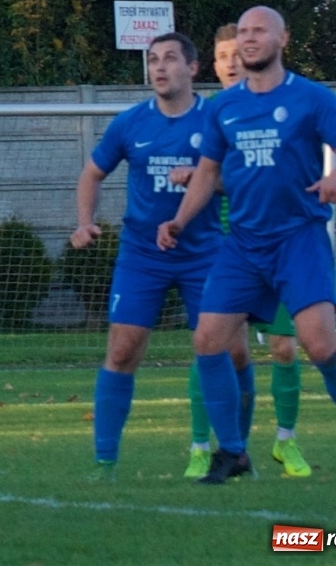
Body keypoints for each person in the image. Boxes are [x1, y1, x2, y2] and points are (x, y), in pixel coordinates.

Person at [158, 6, 336, 485]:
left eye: (259, 30)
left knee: (319, 345)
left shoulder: (311, 98)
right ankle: (234, 452)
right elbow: (207, 173)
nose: (248, 38)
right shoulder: (223, 107)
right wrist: (179, 221)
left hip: (298, 239)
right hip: (243, 244)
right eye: (242, 31)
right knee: (207, 340)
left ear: (283, 38)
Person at [71, 32, 226, 478]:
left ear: (194, 68)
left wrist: (201, 177)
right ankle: (105, 461)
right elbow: (92, 174)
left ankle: (232, 452)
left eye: (170, 59)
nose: (159, 68)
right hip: (142, 254)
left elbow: (236, 180)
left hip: (204, 253)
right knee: (121, 351)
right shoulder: (130, 123)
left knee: (225, 352)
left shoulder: (215, 119)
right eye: (153, 60)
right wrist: (85, 221)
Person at [178, 25, 311, 478]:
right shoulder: (209, 113)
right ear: (212, 65)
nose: (231, 61)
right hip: (224, 249)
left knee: (285, 346)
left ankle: (285, 442)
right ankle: (207, 447)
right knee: (218, 349)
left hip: (281, 245)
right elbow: (200, 171)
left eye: (237, 52)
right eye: (222, 55)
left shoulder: (282, 104)